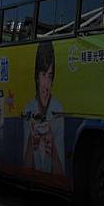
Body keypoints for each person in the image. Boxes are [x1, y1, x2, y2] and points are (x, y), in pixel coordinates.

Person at [23, 41, 64, 175]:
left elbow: (61, 174)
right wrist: (31, 142)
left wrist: (52, 149)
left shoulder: (58, 110)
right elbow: (24, 170)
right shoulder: (28, 110)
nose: (47, 85)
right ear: (37, 78)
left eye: (50, 76)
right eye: (43, 75)